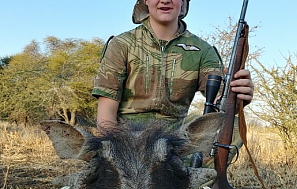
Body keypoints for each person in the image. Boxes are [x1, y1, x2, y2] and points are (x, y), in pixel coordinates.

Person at [92, 0, 254, 131]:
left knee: (231, 125)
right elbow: (106, 113)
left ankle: (200, 170)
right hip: (128, 134)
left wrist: (238, 97)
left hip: (176, 136)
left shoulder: (203, 50)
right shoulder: (121, 44)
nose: (165, 1)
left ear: (183, 2)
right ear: (145, 1)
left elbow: (220, 104)